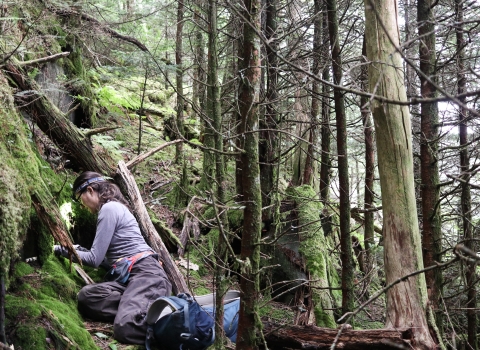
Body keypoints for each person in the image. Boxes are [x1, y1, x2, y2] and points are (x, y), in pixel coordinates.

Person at [54, 171, 172, 344]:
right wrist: (78, 250)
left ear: (91, 190)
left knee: (125, 328)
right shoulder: (112, 208)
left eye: (81, 199)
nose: (82, 205)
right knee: (87, 298)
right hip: (129, 278)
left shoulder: (109, 208)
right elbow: (106, 261)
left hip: (146, 274)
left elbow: (94, 259)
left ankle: (168, 328)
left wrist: (62, 249)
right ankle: (137, 308)